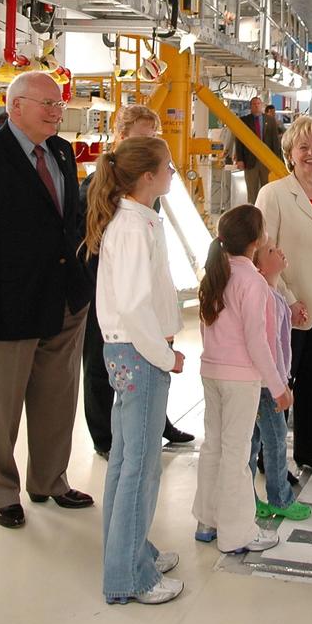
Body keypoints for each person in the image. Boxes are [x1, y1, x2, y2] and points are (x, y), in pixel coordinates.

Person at [0, 72, 93, 529]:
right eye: (46, 103)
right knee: (0, 408)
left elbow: (69, 223)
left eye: (59, 103)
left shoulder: (63, 152)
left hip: (63, 303)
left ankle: (50, 480)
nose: (56, 110)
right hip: (6, 308)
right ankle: (2, 491)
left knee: (57, 399)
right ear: (15, 107)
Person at [85, 136, 186, 605]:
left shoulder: (139, 220)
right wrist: (166, 356)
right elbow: (134, 305)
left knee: (127, 461)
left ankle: (128, 553)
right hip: (140, 354)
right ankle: (129, 576)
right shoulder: (131, 227)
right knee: (140, 468)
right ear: (147, 176)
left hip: (132, 352)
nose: (172, 172)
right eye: (167, 166)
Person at [79, 104, 193, 458]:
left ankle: (156, 421)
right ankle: (105, 437)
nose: (150, 143)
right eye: (143, 136)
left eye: (153, 137)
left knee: (147, 368)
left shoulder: (143, 190)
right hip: (109, 291)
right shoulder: (104, 187)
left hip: (135, 287)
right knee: (100, 366)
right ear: (123, 136)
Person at [192, 205, 292, 554]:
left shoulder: (214, 275)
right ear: (256, 240)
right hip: (240, 381)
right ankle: (237, 533)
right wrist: (278, 387)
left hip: (211, 373)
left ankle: (207, 520)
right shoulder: (253, 281)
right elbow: (257, 341)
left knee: (213, 447)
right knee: (236, 455)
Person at [256, 115, 312, 475]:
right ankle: (270, 457)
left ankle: (309, 451)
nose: (311, 153)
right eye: (303, 147)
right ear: (290, 153)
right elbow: (264, 251)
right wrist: (289, 299)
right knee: (280, 386)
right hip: (287, 307)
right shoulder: (273, 194)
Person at [249, 240, 312, 522]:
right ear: (260, 267)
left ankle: (248, 498)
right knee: (273, 441)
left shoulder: (274, 295)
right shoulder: (263, 296)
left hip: (269, 380)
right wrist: (279, 385)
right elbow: (266, 345)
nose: (280, 250)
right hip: (267, 384)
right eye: (272, 251)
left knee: (254, 440)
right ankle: (280, 498)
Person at [235, 95, 282, 203]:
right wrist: (240, 159)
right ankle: (253, 210)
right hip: (250, 160)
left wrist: (277, 160)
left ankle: (267, 208)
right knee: (252, 189)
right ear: (250, 107)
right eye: (254, 104)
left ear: (262, 106)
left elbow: (275, 141)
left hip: (267, 161)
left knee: (268, 187)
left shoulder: (270, 120)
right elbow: (239, 141)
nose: (256, 106)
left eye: (258, 104)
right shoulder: (244, 121)